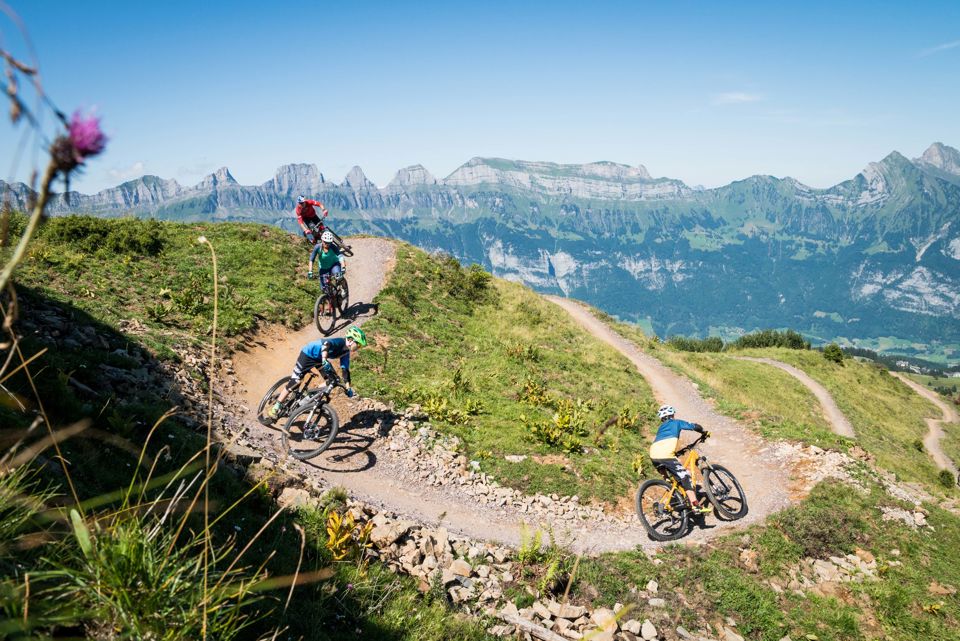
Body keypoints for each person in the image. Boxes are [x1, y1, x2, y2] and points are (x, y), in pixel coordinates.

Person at [268, 326, 368, 418]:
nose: (358, 347)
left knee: (333, 380)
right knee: (296, 381)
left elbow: (345, 370)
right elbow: (326, 344)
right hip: (308, 355)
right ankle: (276, 406)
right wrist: (324, 359)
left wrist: (348, 388)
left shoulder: (346, 351)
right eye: (358, 344)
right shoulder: (340, 342)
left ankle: (310, 395)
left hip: (320, 360)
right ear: (350, 340)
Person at [648, 404, 712, 514]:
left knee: (669, 479)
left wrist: (678, 452)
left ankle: (671, 490)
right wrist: (703, 432)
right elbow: (694, 426)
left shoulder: (661, 428)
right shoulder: (676, 422)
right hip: (665, 455)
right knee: (686, 477)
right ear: (672, 414)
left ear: (662, 418)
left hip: (653, 454)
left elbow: (663, 443)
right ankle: (695, 505)